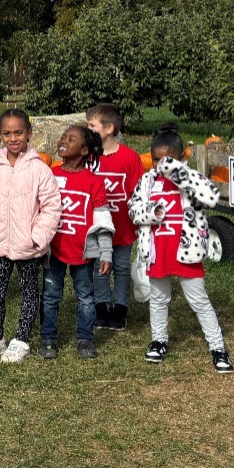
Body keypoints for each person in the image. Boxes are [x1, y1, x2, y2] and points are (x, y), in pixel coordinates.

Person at [129, 122, 234, 374]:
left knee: (198, 300)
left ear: (182, 158)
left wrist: (179, 173)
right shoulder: (147, 181)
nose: (161, 165)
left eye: (167, 160)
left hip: (186, 252)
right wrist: (150, 212)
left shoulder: (190, 179)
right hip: (158, 250)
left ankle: (217, 347)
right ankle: (159, 340)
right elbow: (133, 209)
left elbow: (211, 197)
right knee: (158, 298)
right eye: (156, 160)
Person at [0, 109, 61, 363]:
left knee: (29, 293)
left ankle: (21, 340)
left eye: (18, 132)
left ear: (29, 133)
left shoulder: (39, 169)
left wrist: (37, 236)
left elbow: (51, 206)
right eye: (7, 133)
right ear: (0, 135)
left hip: (28, 246)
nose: (13, 138)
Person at [42, 125, 113, 360]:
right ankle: (48, 339)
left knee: (86, 297)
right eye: (63, 137)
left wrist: (106, 253)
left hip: (83, 253)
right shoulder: (49, 174)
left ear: (84, 150)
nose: (64, 141)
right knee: (51, 296)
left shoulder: (94, 182)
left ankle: (85, 339)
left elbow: (103, 220)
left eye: (71, 139)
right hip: (54, 251)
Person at [86, 102, 144, 331]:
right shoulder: (88, 157)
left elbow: (138, 193)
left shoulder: (130, 158)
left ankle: (120, 308)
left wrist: (140, 223)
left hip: (123, 226)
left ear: (109, 128)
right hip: (98, 228)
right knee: (100, 267)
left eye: (92, 125)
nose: (87, 129)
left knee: (120, 267)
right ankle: (101, 307)